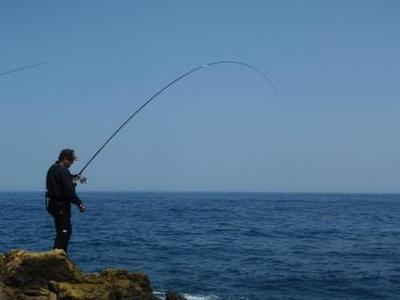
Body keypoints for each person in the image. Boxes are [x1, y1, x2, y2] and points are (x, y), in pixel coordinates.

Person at [45, 149, 86, 253]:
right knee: (64, 232)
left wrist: (73, 177)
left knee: (62, 232)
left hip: (52, 204)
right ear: (65, 159)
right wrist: (79, 203)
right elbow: (68, 191)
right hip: (60, 205)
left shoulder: (54, 168)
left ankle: (58, 255)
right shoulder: (62, 170)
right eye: (71, 160)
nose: (72, 162)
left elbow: (61, 181)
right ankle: (58, 257)